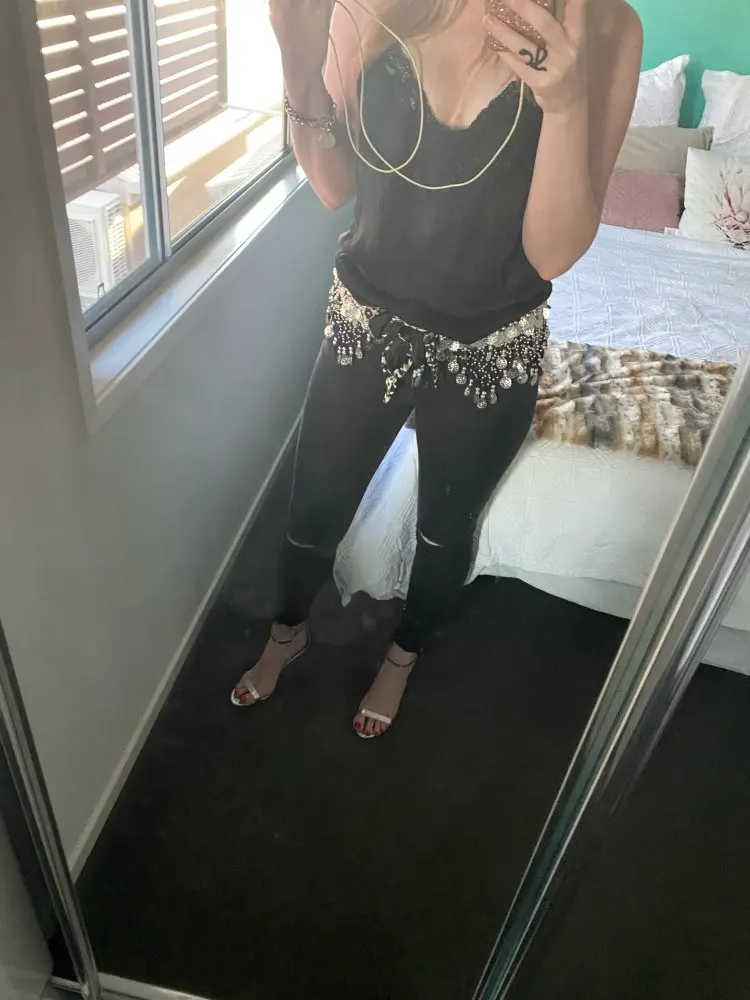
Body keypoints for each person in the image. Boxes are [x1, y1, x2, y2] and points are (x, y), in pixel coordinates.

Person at [231, 0, 643, 737]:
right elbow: (334, 185)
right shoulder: (372, 2)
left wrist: (565, 103)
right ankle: (285, 635)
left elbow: (552, 252)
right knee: (311, 513)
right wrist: (296, 60)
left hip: (492, 350)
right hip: (366, 324)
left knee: (445, 531)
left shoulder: (608, 27)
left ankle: (402, 655)